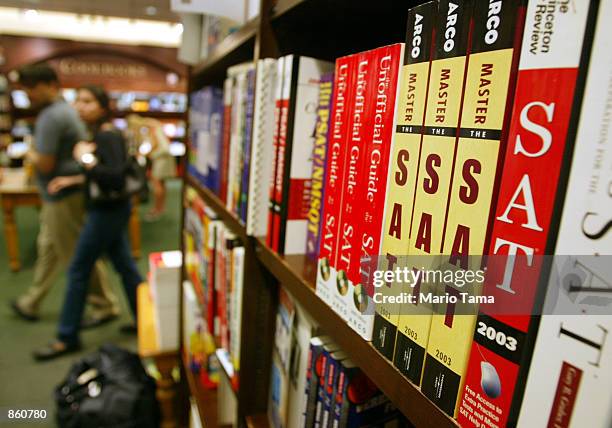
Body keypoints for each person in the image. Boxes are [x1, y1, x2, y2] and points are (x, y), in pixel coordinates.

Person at [33, 85, 143, 361]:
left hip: (107, 211)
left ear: (103, 105)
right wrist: (74, 177)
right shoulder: (99, 134)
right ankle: (145, 317)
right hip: (109, 209)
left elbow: (114, 178)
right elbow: (104, 175)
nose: (80, 106)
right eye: (77, 101)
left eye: (87, 101)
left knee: (79, 268)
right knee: (125, 266)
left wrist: (85, 158)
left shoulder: (106, 135)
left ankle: (66, 337)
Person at [10, 64, 120, 326]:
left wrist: (28, 151)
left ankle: (105, 305)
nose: (28, 94)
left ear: (49, 85)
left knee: (77, 255)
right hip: (61, 194)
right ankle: (32, 300)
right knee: (48, 249)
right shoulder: (61, 112)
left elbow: (46, 163)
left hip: (63, 196)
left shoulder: (52, 117)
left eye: (32, 88)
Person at [127, 115, 175, 221]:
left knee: (157, 185)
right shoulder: (152, 129)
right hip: (161, 161)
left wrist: (151, 155)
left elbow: (165, 149)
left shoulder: (155, 129)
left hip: (161, 161)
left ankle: (157, 209)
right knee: (161, 185)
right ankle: (160, 208)